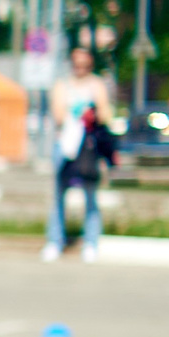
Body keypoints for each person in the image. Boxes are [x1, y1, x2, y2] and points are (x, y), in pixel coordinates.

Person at [46, 45, 119, 261]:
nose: (80, 67)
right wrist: (77, 113)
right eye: (77, 63)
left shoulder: (96, 84)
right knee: (58, 194)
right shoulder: (62, 85)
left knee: (90, 194)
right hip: (65, 145)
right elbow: (58, 115)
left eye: (84, 63)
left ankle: (91, 241)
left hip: (87, 147)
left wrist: (93, 114)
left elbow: (105, 114)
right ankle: (54, 240)